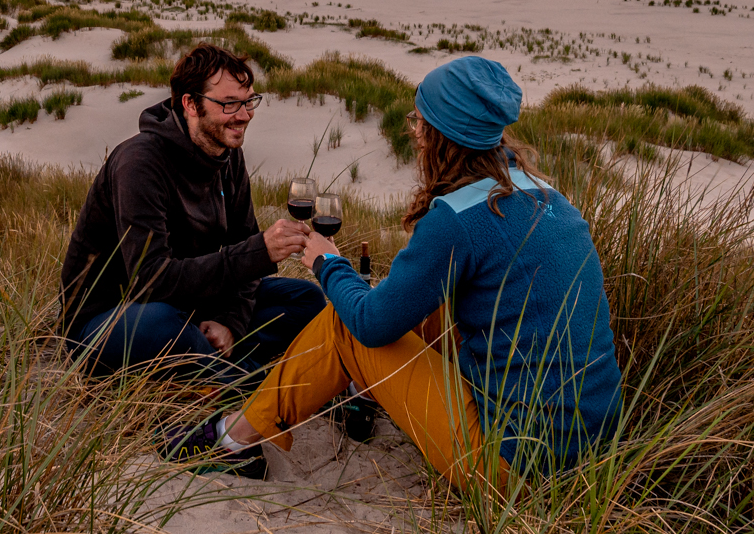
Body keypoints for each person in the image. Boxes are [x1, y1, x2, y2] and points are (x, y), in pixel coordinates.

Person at [163, 56, 622, 490]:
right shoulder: (548, 196)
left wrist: (326, 262)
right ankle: (360, 391)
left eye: (419, 122)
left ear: (441, 136)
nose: (415, 133)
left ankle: (234, 439)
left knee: (348, 324)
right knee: (420, 304)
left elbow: (371, 324)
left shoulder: (458, 219)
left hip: (510, 466)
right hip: (591, 456)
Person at [60, 44, 324, 387]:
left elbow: (244, 259)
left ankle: (212, 366)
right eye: (229, 104)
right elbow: (151, 281)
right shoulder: (140, 164)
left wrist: (230, 321)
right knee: (166, 325)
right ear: (190, 103)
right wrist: (258, 252)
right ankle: (244, 387)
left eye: (248, 101)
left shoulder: (228, 155)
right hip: (112, 320)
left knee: (307, 301)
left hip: (195, 305)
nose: (243, 115)